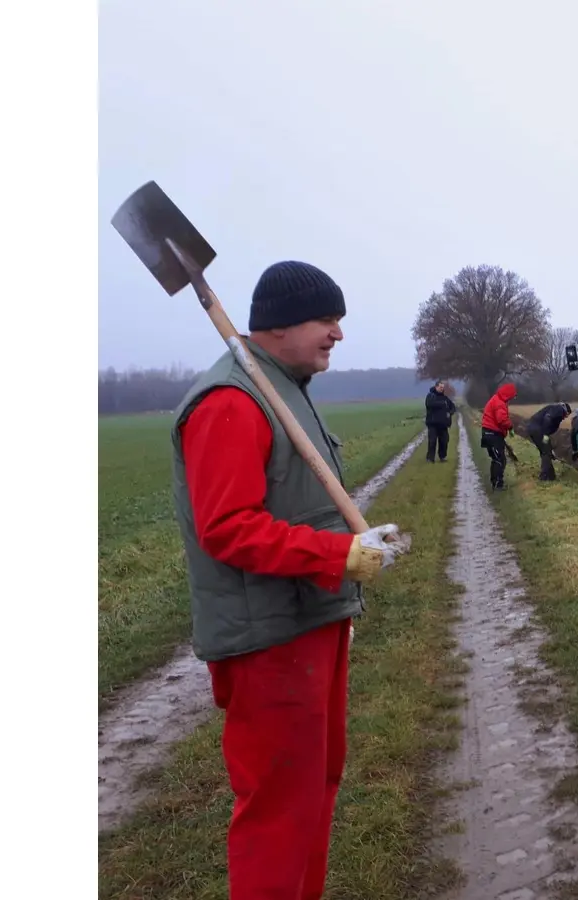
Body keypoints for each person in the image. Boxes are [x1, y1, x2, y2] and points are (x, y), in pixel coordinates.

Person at [169, 259, 410, 900]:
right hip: (269, 640)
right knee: (280, 807)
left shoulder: (282, 386)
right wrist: (337, 556)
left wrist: (352, 548)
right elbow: (228, 528)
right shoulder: (231, 400)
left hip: (309, 621)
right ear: (279, 325)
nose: (338, 334)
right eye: (326, 320)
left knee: (315, 787)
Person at [479, 383, 519, 490]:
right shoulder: (499, 403)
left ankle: (497, 482)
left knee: (498, 459)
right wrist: (510, 427)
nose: (512, 399)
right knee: (499, 460)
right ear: (508, 394)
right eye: (512, 396)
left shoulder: (496, 399)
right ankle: (497, 484)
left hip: (490, 434)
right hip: (492, 435)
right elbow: (501, 420)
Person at [524, 401, 572, 482]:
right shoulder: (559, 409)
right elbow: (547, 418)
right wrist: (546, 435)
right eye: (567, 414)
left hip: (533, 429)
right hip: (538, 430)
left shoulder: (554, 409)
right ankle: (544, 477)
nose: (566, 417)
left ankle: (551, 476)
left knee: (546, 451)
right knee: (546, 452)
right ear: (565, 409)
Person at [423, 380, 456, 462]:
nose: (442, 389)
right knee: (432, 441)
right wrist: (442, 404)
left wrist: (450, 413)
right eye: (440, 387)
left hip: (443, 424)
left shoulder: (445, 398)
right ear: (436, 387)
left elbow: (453, 407)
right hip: (433, 423)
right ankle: (430, 458)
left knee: (444, 441)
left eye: (443, 388)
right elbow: (429, 404)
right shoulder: (430, 396)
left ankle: (442, 457)